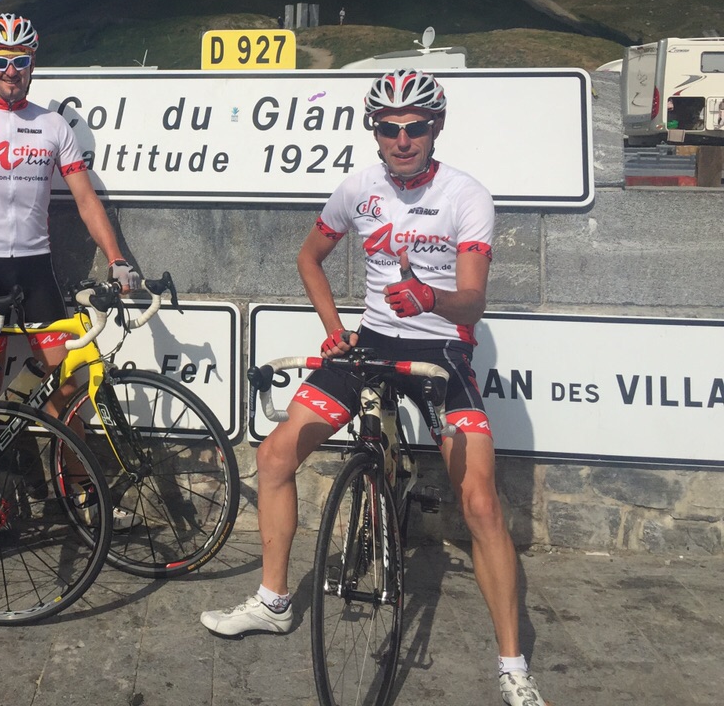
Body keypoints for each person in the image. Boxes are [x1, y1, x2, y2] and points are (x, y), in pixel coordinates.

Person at [200, 68, 549, 706]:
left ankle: (512, 663)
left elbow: (471, 304)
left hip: (443, 347)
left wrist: (429, 296)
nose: (402, 139)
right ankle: (275, 601)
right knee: (274, 455)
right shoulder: (358, 187)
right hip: (372, 340)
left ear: (435, 127)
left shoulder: (466, 195)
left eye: (415, 127)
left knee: (479, 503)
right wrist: (335, 331)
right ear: (376, 132)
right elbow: (309, 257)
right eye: (389, 128)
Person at [0, 13, 138, 505]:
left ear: (32, 63)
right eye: (1, 61)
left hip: (36, 269)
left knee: (65, 378)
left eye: (20, 60)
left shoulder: (53, 124)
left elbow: (84, 199)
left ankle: (77, 486)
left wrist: (118, 258)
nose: (11, 70)